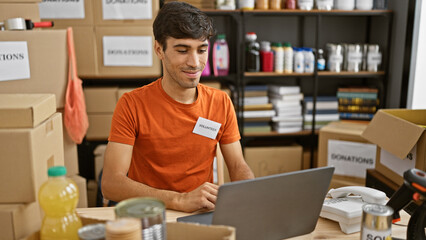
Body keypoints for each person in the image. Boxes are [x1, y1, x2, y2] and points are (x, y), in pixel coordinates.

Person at [101, 1, 254, 213]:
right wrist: (179, 200)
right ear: (159, 49)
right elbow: (110, 184)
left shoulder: (220, 102)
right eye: (182, 50)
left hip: (200, 213)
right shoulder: (132, 104)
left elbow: (238, 166)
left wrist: (251, 195)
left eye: (202, 50)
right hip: (149, 213)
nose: (195, 62)